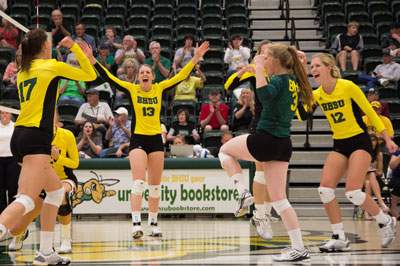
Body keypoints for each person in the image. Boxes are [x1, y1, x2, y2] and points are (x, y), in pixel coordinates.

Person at [84, 40, 209, 238]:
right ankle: (136, 224)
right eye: (141, 72)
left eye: (147, 72)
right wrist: (92, 60)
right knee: (138, 183)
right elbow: (108, 77)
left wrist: (195, 57)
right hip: (138, 140)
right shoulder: (132, 90)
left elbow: (183, 74)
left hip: (156, 141)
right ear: (138, 77)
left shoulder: (159, 88)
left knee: (155, 186)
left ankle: (153, 223)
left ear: (152, 76)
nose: (144, 74)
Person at [0, 29, 96, 265]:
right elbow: (89, 73)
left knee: (54, 192)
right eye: (50, 42)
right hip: (36, 138)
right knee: (28, 199)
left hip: (20, 136)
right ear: (44, 46)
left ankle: (45, 252)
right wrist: (73, 47)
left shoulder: (24, 72)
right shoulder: (50, 66)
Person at [219, 43, 314, 261]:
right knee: (281, 200)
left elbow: (265, 94)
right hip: (283, 143)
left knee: (224, 152)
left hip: (266, 139)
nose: (263, 59)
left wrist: (259, 68)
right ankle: (299, 247)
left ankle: (243, 193)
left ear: (277, 61)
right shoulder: (292, 81)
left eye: (266, 57)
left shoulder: (279, 80)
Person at [310, 53, 397, 252]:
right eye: (312, 66)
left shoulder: (347, 86)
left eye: (317, 66)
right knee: (325, 190)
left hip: (359, 141)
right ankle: (339, 237)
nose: (313, 69)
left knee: (353, 192)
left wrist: (388, 139)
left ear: (329, 67)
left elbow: (369, 111)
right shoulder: (317, 94)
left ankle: (385, 221)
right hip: (340, 143)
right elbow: (300, 113)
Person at [8, 115, 80, 254]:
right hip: (41, 183)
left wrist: (58, 158)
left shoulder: (67, 135)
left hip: (65, 179)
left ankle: (65, 239)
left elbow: (75, 163)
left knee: (62, 194)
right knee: (15, 229)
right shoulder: (33, 138)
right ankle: (21, 235)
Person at [363, 134, 390, 220]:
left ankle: (366, 211)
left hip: (375, 179)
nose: (373, 144)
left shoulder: (379, 154)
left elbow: (380, 173)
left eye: (374, 143)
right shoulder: (362, 153)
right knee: (367, 180)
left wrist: (373, 170)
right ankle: (381, 202)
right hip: (361, 179)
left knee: (369, 182)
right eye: (371, 142)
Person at [0, 105, 20, 213]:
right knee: (1, 189)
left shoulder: (15, 126)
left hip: (12, 160)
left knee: (12, 187)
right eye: (2, 113)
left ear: (11, 115)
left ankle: (12, 213)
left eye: (7, 113)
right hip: (0, 160)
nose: (4, 115)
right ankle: (1, 215)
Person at [389, 148, 400, 219]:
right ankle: (393, 209)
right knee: (398, 185)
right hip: (397, 178)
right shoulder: (397, 152)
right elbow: (392, 166)